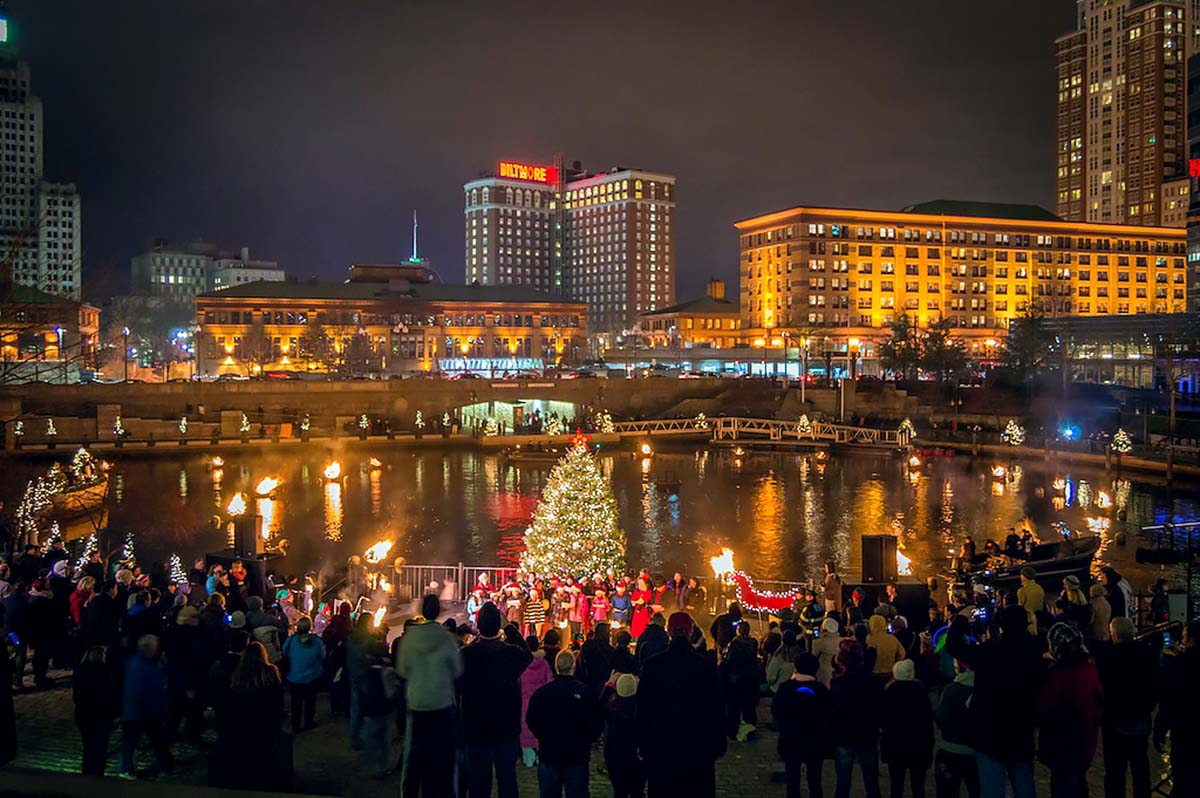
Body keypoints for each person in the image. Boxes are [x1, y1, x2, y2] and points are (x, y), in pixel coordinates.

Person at [949, 604, 1043, 798]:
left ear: (1001, 626)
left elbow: (953, 647)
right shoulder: (1035, 650)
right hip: (1020, 727)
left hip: (990, 729)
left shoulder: (990, 651)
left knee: (992, 788)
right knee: (1024, 785)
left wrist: (960, 619)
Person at [637, 612, 726, 797]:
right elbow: (716, 709)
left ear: (668, 631)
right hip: (697, 749)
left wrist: (643, 744)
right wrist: (718, 743)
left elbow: (644, 709)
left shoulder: (653, 666)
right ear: (690, 631)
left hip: (662, 748)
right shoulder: (706, 667)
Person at [460, 601, 532, 798]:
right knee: (507, 780)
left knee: (478, 782)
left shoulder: (467, 654)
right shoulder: (511, 652)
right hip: (505, 725)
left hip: (476, 725)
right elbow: (527, 654)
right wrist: (509, 626)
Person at [395, 593, 463, 798]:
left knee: (413, 759)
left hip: (416, 704)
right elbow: (457, 669)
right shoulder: (447, 638)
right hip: (442, 704)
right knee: (444, 758)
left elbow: (402, 670)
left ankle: (411, 793)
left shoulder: (409, 638)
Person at [526, 650, 605, 798]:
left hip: (549, 752)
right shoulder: (585, 693)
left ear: (556, 667)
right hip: (577, 754)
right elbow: (596, 721)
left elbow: (532, 720)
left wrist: (542, 736)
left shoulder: (542, 694)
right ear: (573, 666)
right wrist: (587, 739)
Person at [1037, 623, 1103, 798]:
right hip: (1084, 741)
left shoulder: (1062, 676)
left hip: (1065, 744)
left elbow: (1045, 706)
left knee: (1064, 787)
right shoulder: (1088, 667)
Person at [212, 641, 287, 791]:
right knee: (264, 756)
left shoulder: (238, 674)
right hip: (265, 723)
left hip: (245, 723)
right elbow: (277, 700)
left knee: (246, 754)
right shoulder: (271, 673)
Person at [1099, 617, 1157, 798]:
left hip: (1114, 721)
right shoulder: (1147, 655)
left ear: (1114, 634)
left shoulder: (1108, 657)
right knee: (1140, 766)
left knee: (1115, 771)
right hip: (1140, 718)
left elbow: (1102, 689)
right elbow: (1154, 685)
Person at [772, 652, 831, 798]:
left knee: (792, 780)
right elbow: (828, 713)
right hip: (815, 740)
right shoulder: (820, 689)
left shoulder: (785, 688)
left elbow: (776, 712)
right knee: (815, 780)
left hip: (791, 739)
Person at [830, 640, 882, 798]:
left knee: (843, 781)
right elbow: (880, 707)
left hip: (844, 735)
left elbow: (833, 710)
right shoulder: (873, 681)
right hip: (867, 734)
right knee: (871, 779)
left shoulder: (838, 683)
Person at [118, 634, 175, 778]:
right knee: (148, 740)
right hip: (142, 712)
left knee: (149, 741)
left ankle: (166, 764)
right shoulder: (144, 666)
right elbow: (147, 690)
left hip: (138, 712)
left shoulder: (135, 662)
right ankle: (126, 768)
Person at [1155, 618, 1200, 796]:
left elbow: (1169, 701)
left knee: (1184, 780)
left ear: (1191, 640)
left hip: (1185, 732)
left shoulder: (1180, 665)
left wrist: (1160, 726)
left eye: (1184, 638)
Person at [881, 659, 933, 798]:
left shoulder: (890, 692)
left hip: (895, 746)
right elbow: (927, 724)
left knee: (896, 786)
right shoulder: (921, 693)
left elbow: (885, 723)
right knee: (918, 786)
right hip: (918, 746)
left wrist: (885, 750)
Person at [934, 658, 979, 798]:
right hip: (976, 753)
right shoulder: (984, 689)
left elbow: (942, 719)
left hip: (950, 749)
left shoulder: (950, 690)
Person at [74, 644, 116, 775]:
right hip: (100, 716)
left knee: (88, 746)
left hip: (83, 715)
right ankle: (97, 775)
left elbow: (77, 696)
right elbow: (108, 696)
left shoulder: (80, 671)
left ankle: (87, 772)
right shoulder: (103, 672)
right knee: (100, 748)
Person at [601, 672, 643, 798]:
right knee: (637, 792)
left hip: (615, 758)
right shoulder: (640, 710)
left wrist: (608, 686)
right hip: (636, 758)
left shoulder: (612, 710)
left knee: (619, 792)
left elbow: (598, 706)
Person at [281, 615, 326, 733]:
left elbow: (284, 651)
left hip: (294, 676)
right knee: (310, 701)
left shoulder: (291, 640)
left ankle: (295, 724)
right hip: (312, 676)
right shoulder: (316, 642)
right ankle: (308, 722)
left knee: (295, 702)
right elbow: (322, 656)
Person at [720, 620, 760, 742]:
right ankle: (751, 730)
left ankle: (732, 731)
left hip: (736, 680)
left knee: (734, 708)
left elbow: (728, 661)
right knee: (749, 707)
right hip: (750, 679)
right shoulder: (753, 643)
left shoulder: (735, 645)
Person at [519, 634, 554, 768]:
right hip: (541, 703)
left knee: (526, 729)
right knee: (540, 729)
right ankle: (540, 756)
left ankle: (528, 758)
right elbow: (549, 682)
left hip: (525, 702)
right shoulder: (544, 664)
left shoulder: (522, 665)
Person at [576, 621, 613, 695]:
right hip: (601, 686)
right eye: (608, 633)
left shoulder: (587, 645)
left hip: (587, 683)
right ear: (603, 634)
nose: (610, 635)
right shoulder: (610, 650)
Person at [813, 616, 841, 687]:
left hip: (823, 673)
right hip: (838, 673)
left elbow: (813, 656)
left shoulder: (820, 642)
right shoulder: (842, 641)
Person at [1016, 567, 1044, 632]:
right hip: (1040, 619)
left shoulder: (1022, 590)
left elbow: (1020, 608)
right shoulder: (1040, 588)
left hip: (1028, 621)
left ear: (1023, 576)